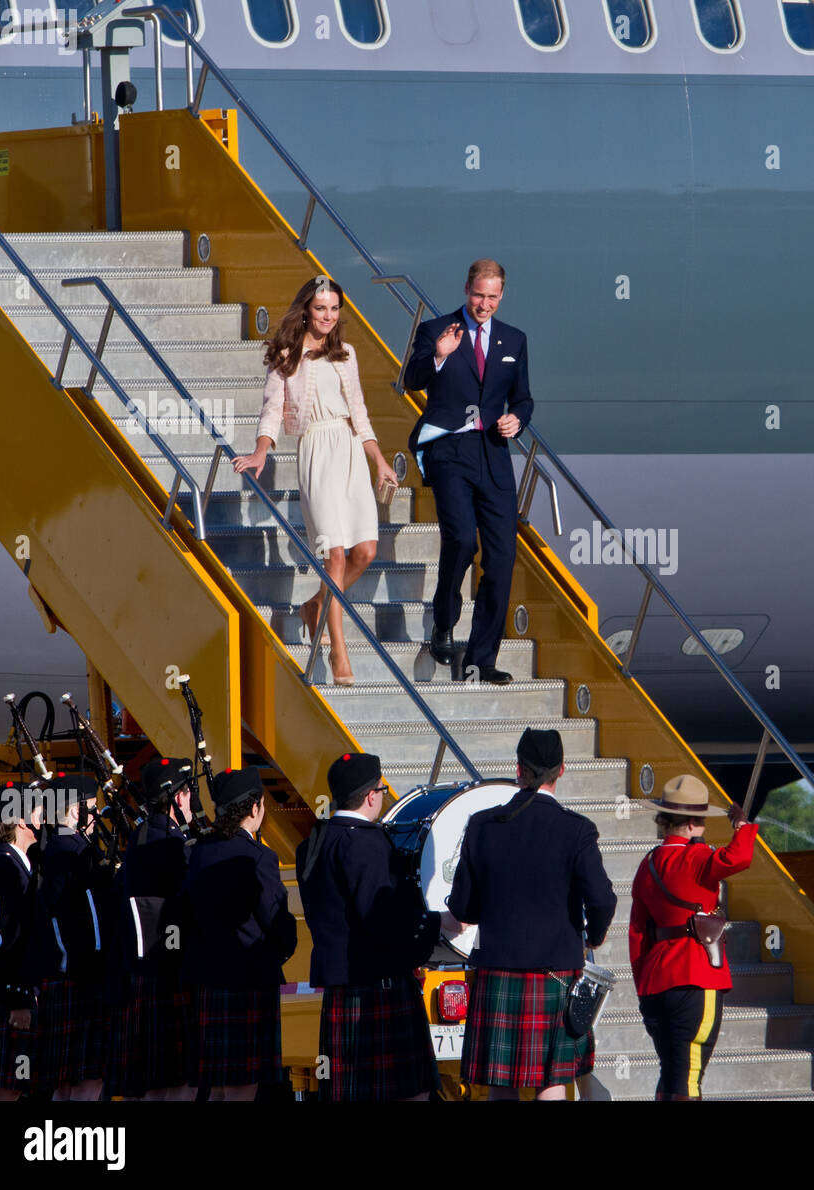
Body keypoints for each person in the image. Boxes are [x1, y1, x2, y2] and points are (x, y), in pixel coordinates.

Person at [234, 275, 398, 687]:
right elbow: (272, 408)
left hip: (348, 450)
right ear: (306, 309)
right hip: (316, 451)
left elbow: (358, 411)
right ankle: (339, 651)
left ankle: (318, 603)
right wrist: (261, 450)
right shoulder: (287, 354)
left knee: (365, 551)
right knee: (336, 555)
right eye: (321, 307)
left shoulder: (346, 353)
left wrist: (378, 459)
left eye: (334, 308)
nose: (328, 315)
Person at [449, 727, 616, 1100]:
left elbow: (464, 909)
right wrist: (595, 934)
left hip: (497, 971)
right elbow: (603, 900)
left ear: (519, 769)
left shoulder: (482, 825)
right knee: (552, 1080)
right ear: (561, 771)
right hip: (556, 974)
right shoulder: (577, 830)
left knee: (500, 1084)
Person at [405, 259, 534, 685]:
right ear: (466, 290)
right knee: (461, 537)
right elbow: (410, 380)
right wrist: (438, 357)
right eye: (479, 295)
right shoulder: (437, 331)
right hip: (449, 448)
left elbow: (523, 399)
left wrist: (517, 419)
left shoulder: (514, 339)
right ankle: (444, 621)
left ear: (502, 296)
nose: (484, 304)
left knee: (501, 558)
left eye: (492, 297)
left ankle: (482, 658)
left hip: (493, 453)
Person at [296, 752, 441, 1101]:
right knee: (411, 1095)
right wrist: (434, 925)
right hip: (381, 987)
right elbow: (383, 920)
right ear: (370, 795)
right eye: (381, 789)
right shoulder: (364, 843)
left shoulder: (313, 843)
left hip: (342, 990)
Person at [628, 774, 757, 1100]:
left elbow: (637, 935)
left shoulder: (647, 865)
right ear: (692, 822)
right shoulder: (697, 858)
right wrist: (742, 826)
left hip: (656, 983)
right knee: (688, 1079)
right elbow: (739, 857)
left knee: (671, 1074)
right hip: (696, 978)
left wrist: (643, 985)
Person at [184, 767, 297, 1101]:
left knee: (219, 1088)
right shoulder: (258, 857)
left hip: (207, 980)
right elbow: (276, 920)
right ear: (254, 808)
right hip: (249, 981)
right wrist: (280, 950)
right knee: (242, 1089)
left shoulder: (199, 853)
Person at [109, 756, 197, 1101]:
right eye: (188, 792)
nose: (192, 799)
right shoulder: (172, 843)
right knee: (179, 1088)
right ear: (176, 797)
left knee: (148, 1089)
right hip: (169, 972)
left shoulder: (140, 838)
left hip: (141, 972)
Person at [29, 773, 109, 1101]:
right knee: (88, 1084)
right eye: (93, 808)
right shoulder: (79, 855)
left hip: (56, 979)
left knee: (63, 1087)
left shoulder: (47, 852)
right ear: (77, 812)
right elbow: (93, 928)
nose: (98, 816)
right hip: (82, 979)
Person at [0, 783, 42, 1101]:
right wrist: (18, 997)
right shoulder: (3, 867)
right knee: (2, 1091)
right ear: (19, 820)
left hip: (10, 993)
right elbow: (1, 937)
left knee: (14, 1087)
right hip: (4, 996)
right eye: (37, 808)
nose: (43, 815)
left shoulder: (17, 864)